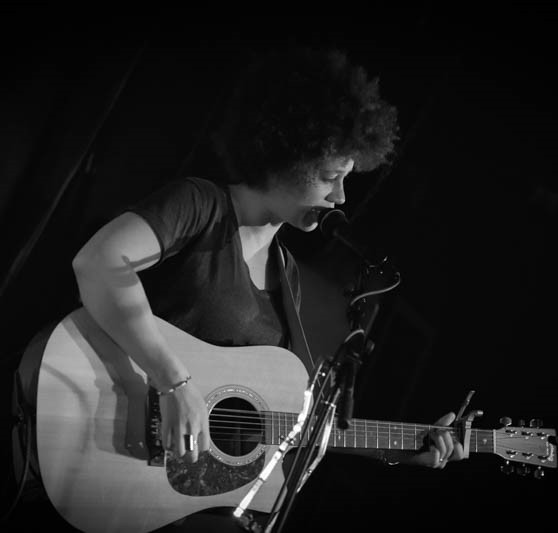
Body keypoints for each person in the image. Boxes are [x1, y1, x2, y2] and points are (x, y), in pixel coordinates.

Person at [68, 46, 465, 531]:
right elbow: (99, 262)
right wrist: (173, 380)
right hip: (94, 433)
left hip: (164, 502)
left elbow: (282, 430)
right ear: (287, 152)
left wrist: (402, 451)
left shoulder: (289, 277)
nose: (341, 197)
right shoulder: (201, 205)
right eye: (331, 177)